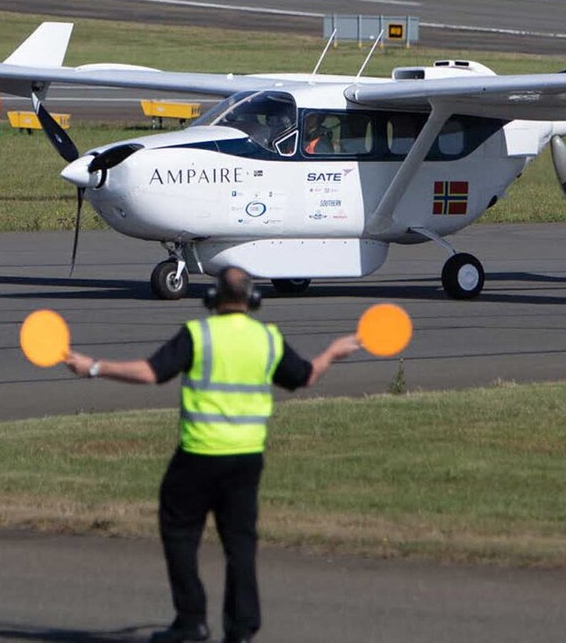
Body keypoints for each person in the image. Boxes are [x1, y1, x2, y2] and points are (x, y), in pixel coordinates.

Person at [64, 267, 361, 643]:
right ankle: (241, 629)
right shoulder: (267, 338)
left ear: (213, 299)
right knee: (240, 543)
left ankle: (191, 619)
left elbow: (150, 373)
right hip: (246, 459)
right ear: (253, 300)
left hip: (199, 454)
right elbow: (304, 377)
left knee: (179, 532)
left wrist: (93, 367)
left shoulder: (198, 334)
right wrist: (333, 352)